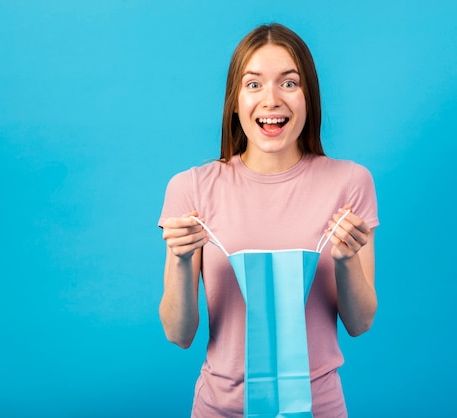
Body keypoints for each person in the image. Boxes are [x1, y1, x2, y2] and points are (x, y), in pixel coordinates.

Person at [158, 23, 378, 417]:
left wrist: (346, 261)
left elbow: (360, 323)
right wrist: (178, 259)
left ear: (308, 95)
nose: (271, 100)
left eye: (289, 83)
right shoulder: (191, 188)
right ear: (235, 100)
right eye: (254, 84)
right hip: (218, 408)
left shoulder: (350, 183)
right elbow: (179, 334)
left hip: (319, 407)